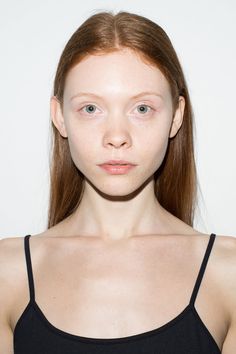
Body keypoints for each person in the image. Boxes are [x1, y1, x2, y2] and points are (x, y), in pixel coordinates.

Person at [0, 10, 235, 354]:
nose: (116, 137)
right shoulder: (8, 274)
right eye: (91, 109)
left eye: (141, 109)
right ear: (59, 117)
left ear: (176, 117)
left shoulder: (228, 274)